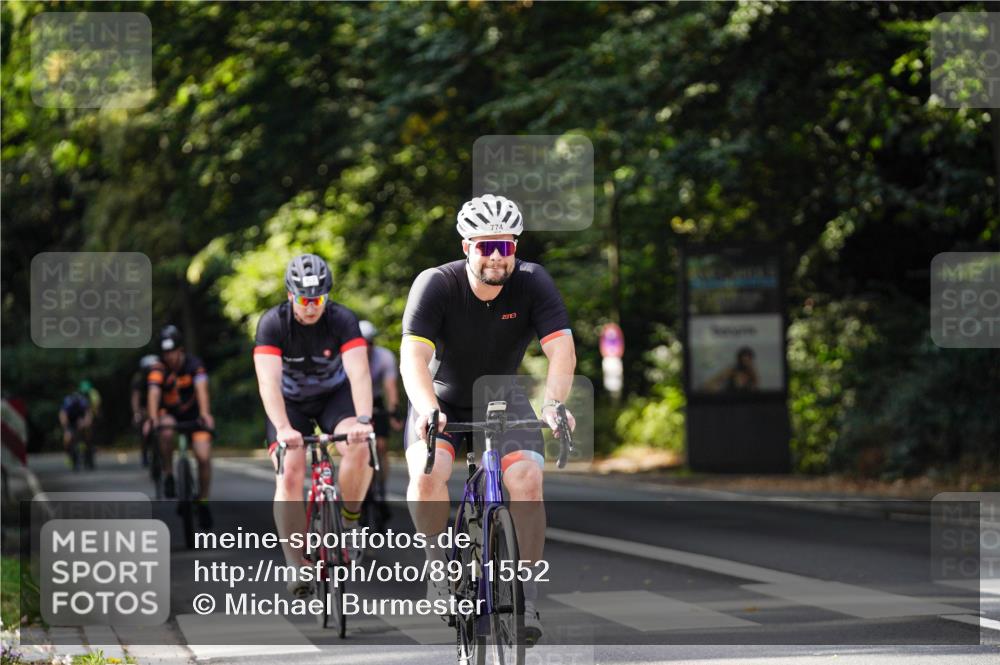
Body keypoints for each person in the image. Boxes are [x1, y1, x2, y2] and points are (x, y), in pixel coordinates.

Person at [400, 194, 577, 645]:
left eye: (506, 246)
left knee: (527, 480)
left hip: (503, 399)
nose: (497, 257)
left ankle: (527, 594)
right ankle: (437, 566)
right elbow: (413, 357)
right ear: (466, 247)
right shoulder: (436, 284)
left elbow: (560, 350)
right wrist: (426, 409)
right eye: (486, 247)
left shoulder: (534, 282)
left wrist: (554, 403)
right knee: (429, 472)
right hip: (441, 400)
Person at [253, 253, 374, 597]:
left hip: (333, 398)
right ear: (291, 295)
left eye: (318, 299)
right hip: (289, 404)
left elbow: (360, 373)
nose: (311, 306)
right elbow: (268, 383)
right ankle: (296, 564)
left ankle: (349, 524)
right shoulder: (272, 324)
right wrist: (283, 428)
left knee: (360, 446)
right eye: (304, 299)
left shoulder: (342, 320)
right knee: (290, 469)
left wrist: (364, 420)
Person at [147, 325, 215, 528]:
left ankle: (202, 501)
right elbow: (153, 393)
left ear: (181, 349)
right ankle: (168, 473)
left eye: (173, 351)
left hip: (195, 415)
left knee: (203, 457)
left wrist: (205, 414)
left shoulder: (194, 364)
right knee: (165, 430)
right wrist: (152, 418)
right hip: (170, 415)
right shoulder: (158, 369)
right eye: (165, 353)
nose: (170, 357)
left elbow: (202, 389)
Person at [359, 320, 401, 507]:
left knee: (381, 446)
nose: (366, 347)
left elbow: (390, 387)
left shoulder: (384, 357)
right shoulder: (348, 356)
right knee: (356, 446)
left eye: (369, 343)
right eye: (362, 343)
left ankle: (380, 486)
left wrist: (393, 413)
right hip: (353, 400)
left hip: (375, 400)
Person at [130, 354, 160, 467]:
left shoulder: (161, 375)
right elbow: (135, 397)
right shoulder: (139, 380)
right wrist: (136, 413)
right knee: (142, 426)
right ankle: (144, 452)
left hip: (158, 406)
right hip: (144, 407)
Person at [59, 387, 93, 469]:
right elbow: (63, 415)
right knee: (67, 438)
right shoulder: (68, 402)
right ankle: (69, 455)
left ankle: (89, 457)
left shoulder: (83, 402)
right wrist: (66, 428)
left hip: (81, 421)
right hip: (70, 422)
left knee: (88, 435)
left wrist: (85, 423)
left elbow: (88, 414)